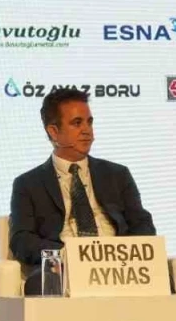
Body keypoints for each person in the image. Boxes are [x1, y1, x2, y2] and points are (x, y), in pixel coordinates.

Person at [9, 88, 155, 295]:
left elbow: (142, 224)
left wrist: (122, 253)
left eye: (89, 122)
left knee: (164, 280)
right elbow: (22, 240)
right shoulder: (28, 184)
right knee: (40, 285)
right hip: (64, 264)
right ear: (54, 132)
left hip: (117, 263)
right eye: (77, 123)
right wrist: (67, 254)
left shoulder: (117, 174)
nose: (87, 130)